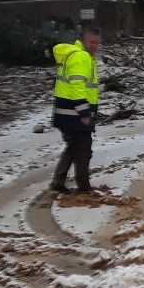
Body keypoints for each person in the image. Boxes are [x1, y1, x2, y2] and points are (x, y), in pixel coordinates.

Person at [49, 25, 101, 193]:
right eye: (91, 42)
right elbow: (77, 86)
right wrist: (84, 113)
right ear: (82, 41)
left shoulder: (78, 55)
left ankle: (58, 182)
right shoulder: (81, 57)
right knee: (83, 151)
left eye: (97, 43)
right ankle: (84, 188)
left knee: (73, 147)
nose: (95, 46)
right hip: (74, 115)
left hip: (66, 113)